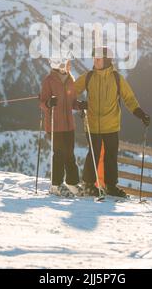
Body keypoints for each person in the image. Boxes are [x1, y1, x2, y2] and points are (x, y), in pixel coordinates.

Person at [75, 46, 150, 198]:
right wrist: (78, 104)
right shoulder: (88, 77)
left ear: (107, 60)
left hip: (111, 125)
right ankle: (88, 185)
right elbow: (71, 91)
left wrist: (140, 113)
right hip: (93, 124)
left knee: (111, 156)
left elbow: (129, 98)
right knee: (93, 155)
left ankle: (110, 186)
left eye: (98, 59)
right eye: (94, 58)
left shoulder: (117, 78)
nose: (95, 61)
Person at [39, 57, 87, 197]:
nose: (67, 65)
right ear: (57, 64)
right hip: (55, 125)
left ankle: (72, 183)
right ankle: (56, 185)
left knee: (70, 154)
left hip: (69, 125)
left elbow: (71, 102)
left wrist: (80, 105)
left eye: (67, 63)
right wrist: (49, 103)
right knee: (59, 155)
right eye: (65, 63)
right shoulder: (49, 81)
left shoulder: (70, 79)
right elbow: (42, 103)